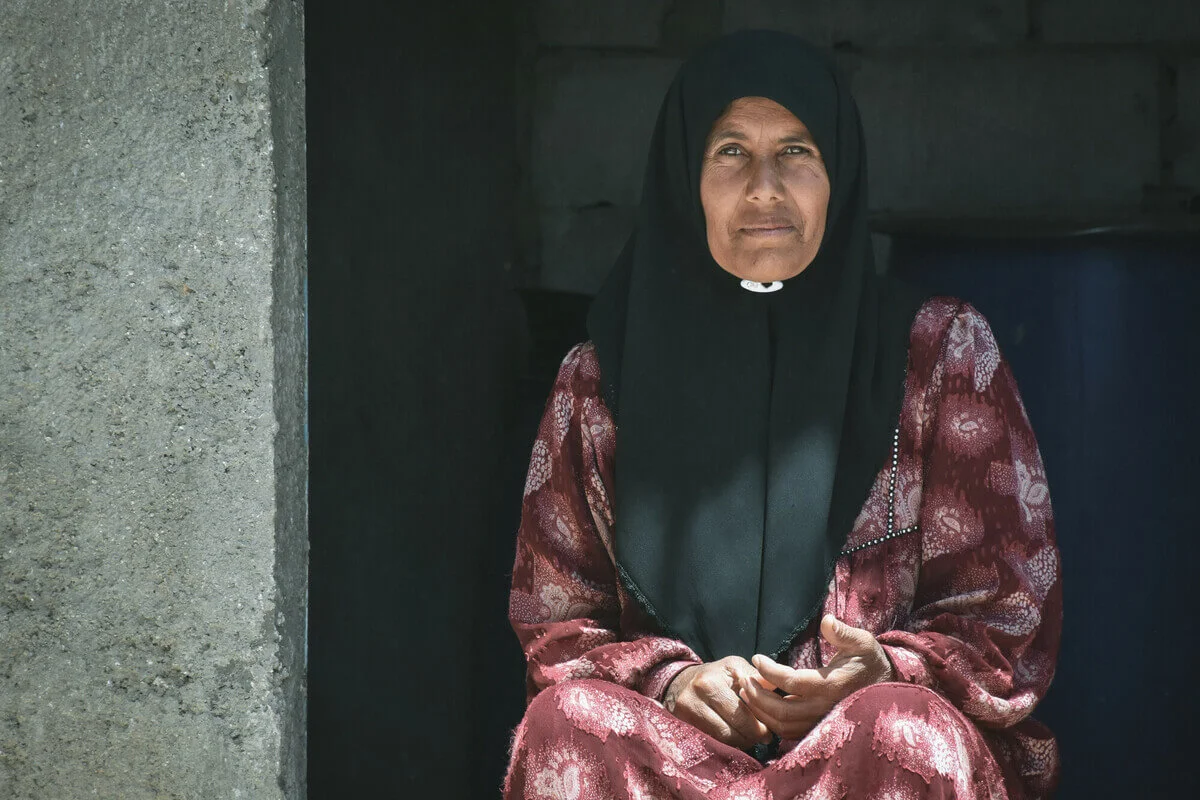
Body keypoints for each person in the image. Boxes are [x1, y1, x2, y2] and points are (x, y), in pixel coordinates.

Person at [504, 30, 1060, 800]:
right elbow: (557, 622)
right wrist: (672, 683)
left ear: (840, 175)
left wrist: (885, 669)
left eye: (796, 151)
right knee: (564, 724)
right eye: (730, 152)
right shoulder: (599, 383)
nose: (765, 187)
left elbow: (1006, 616)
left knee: (906, 730)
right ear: (682, 181)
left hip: (859, 760)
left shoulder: (939, 356)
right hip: (674, 766)